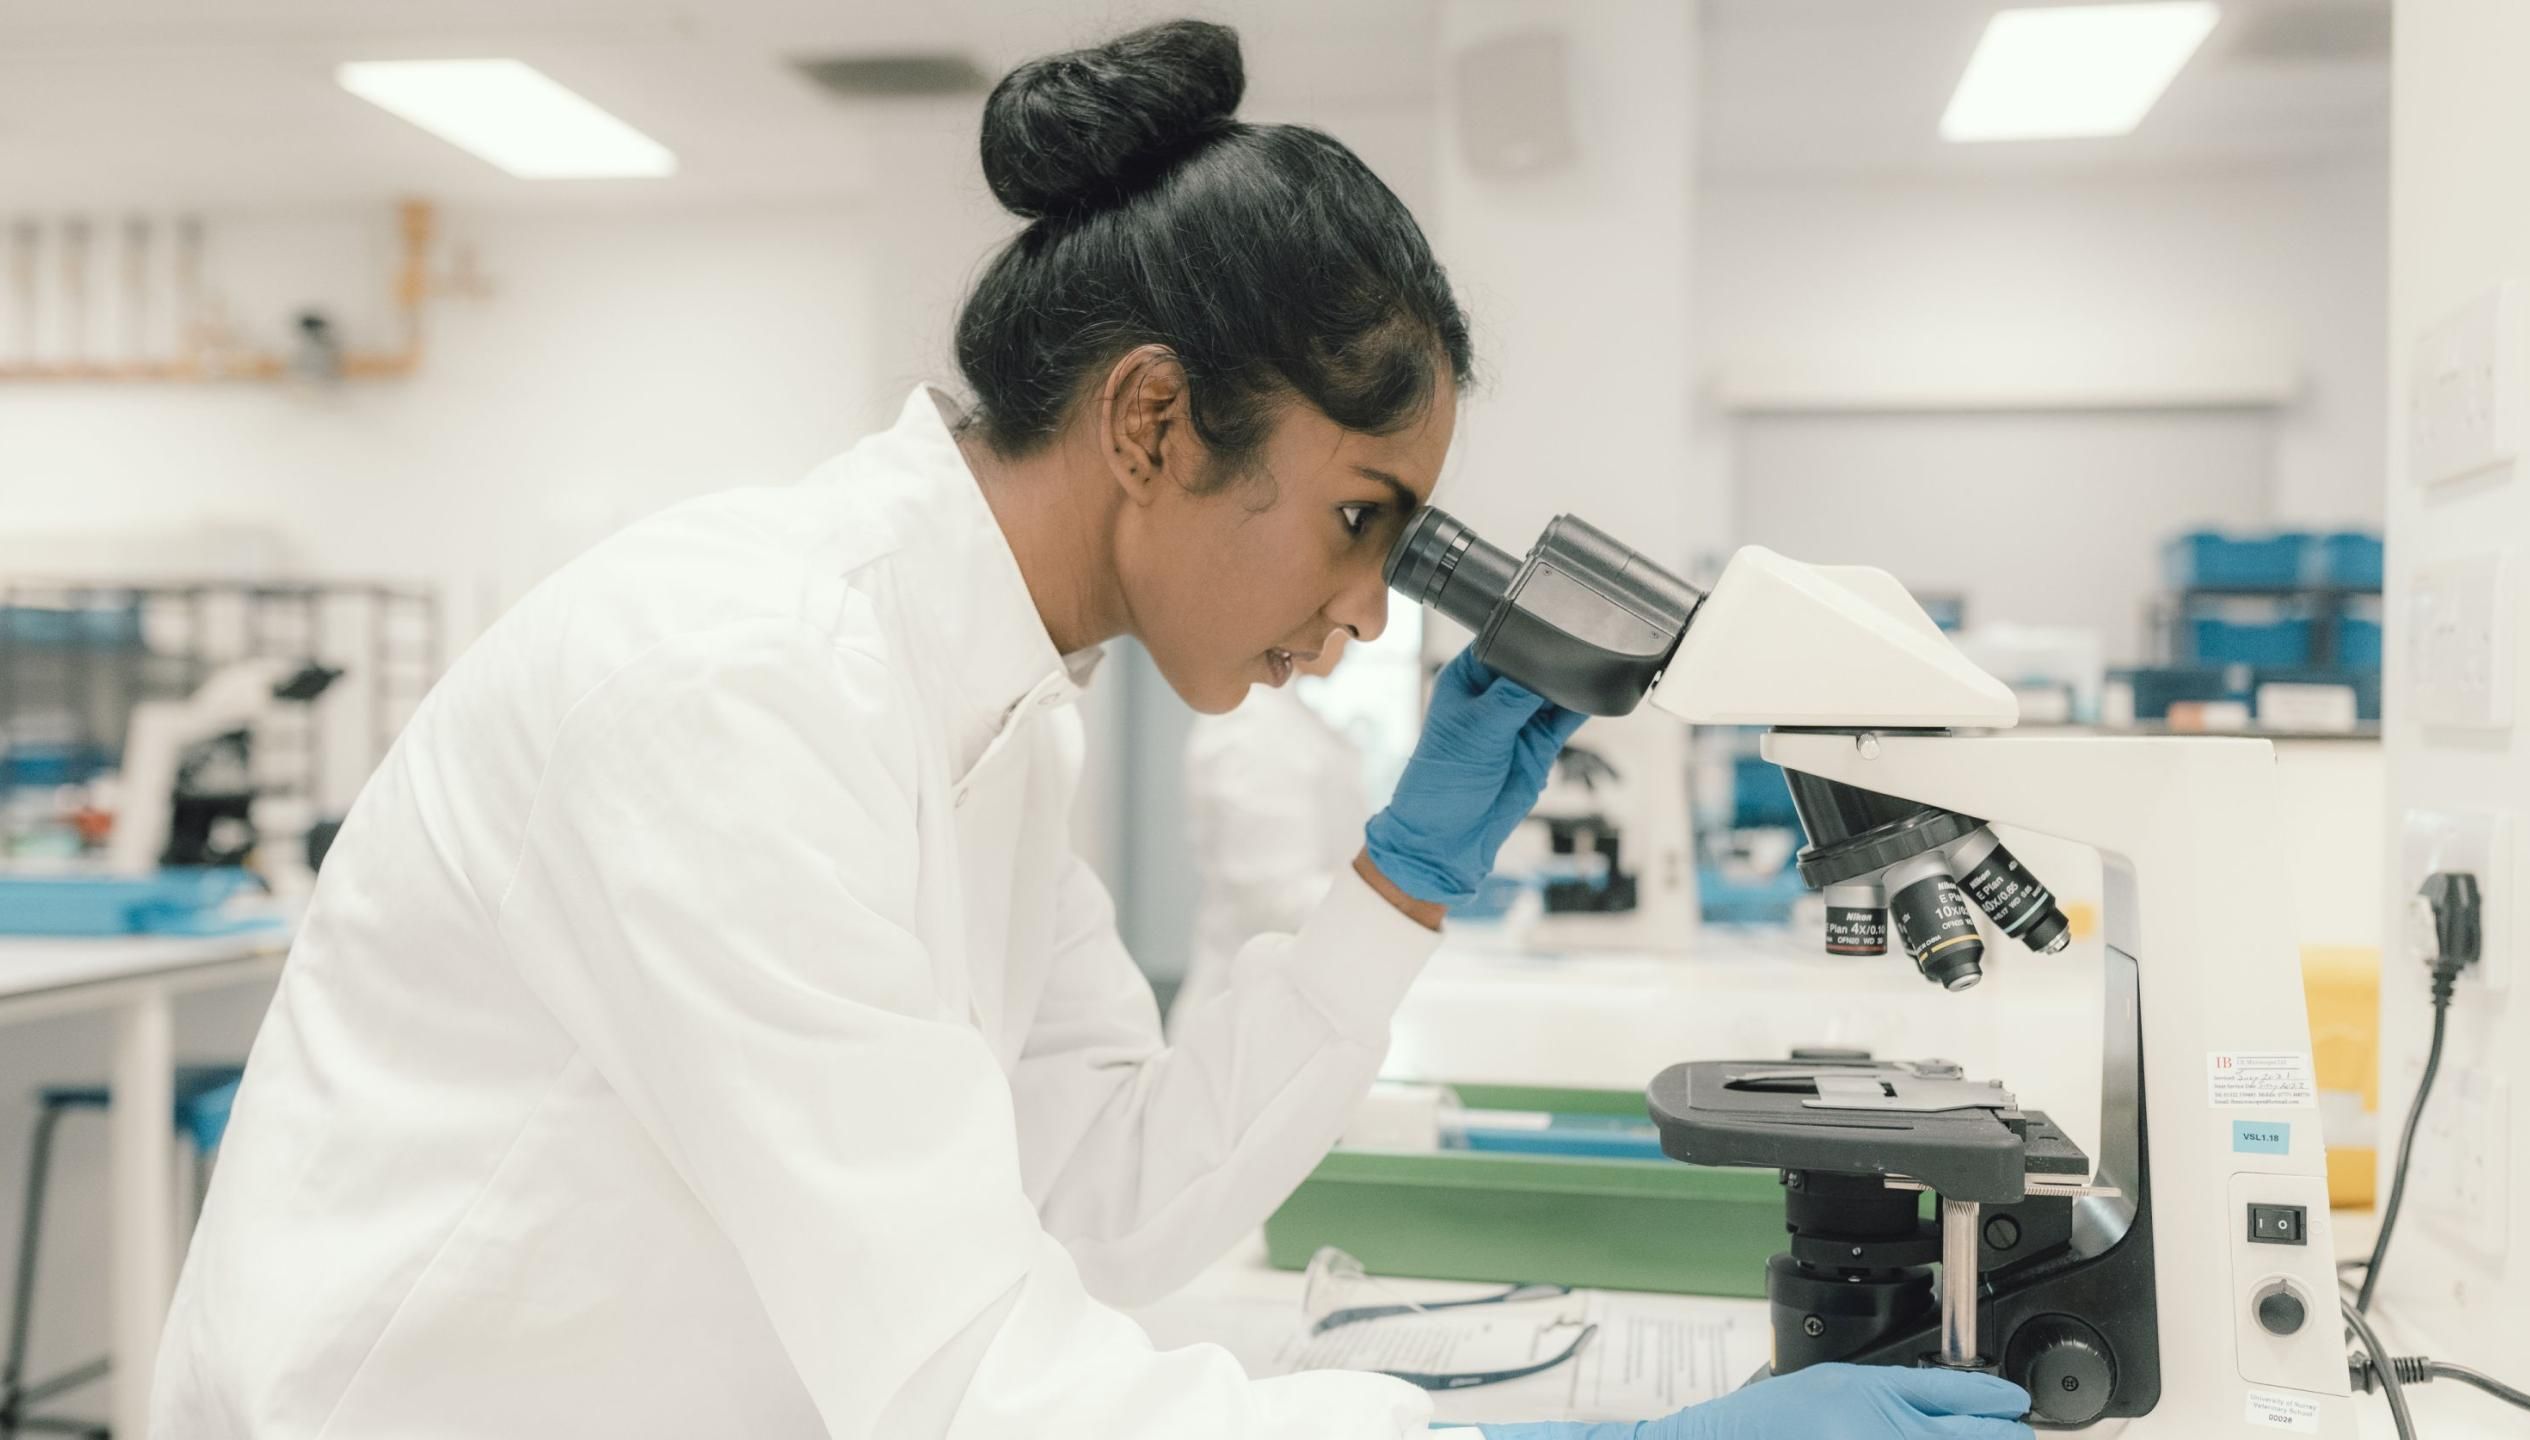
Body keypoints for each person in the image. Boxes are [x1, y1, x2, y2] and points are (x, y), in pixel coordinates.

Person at [152, 20, 2032, 1440]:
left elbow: (1099, 1210)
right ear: (1149, 423)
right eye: (1358, 516)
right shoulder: (738, 683)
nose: (1372, 606)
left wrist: (1405, 875)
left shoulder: (997, 714)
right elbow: (977, 1377)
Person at [1169, 625, 1371, 1041]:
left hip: (1285, 1009)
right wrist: (1391, 893)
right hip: (1241, 1018)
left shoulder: (1285, 717)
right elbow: (1274, 899)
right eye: (1346, 623)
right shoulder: (1252, 728)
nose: (1363, 635)